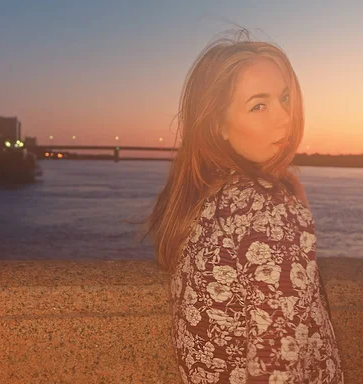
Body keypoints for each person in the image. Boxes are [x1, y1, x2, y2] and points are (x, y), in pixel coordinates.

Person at [143, 31, 345, 383]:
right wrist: (287, 206)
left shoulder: (204, 202)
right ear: (217, 124)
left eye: (284, 99)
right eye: (259, 105)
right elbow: (276, 368)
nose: (284, 118)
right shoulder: (268, 209)